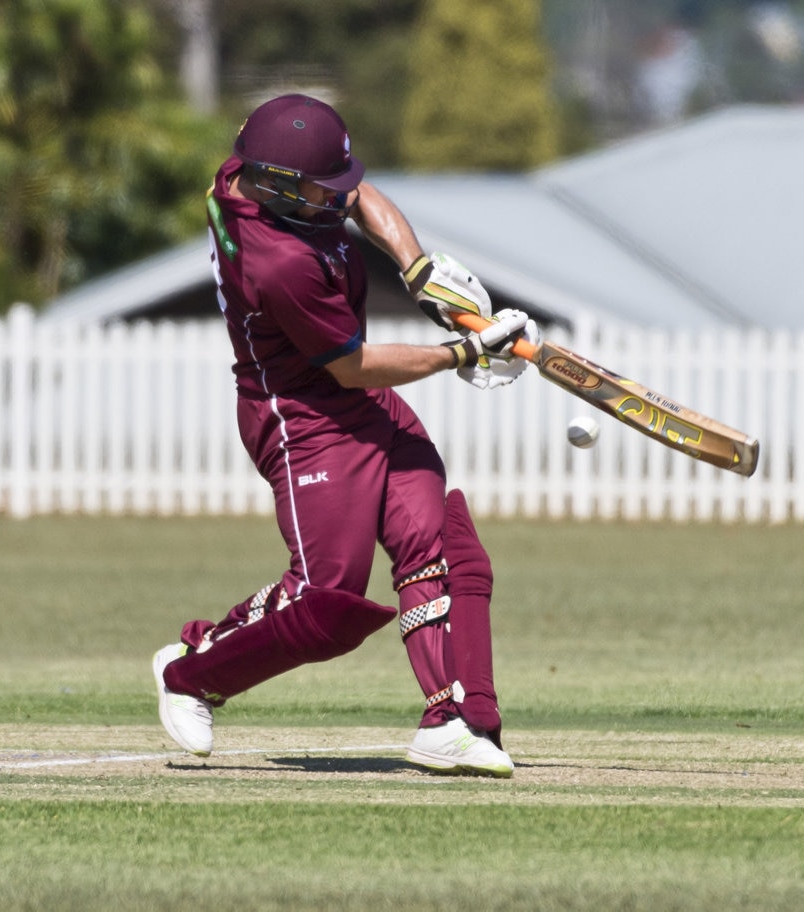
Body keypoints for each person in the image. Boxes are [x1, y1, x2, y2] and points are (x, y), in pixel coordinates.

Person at [152, 94, 538, 778]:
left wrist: (417, 270)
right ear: (276, 187)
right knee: (325, 599)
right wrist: (463, 355)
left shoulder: (267, 176)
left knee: (432, 537)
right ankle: (192, 671)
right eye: (320, 190)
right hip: (304, 419)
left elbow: (360, 196)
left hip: (358, 401)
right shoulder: (278, 262)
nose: (339, 197)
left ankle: (447, 720)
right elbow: (352, 366)